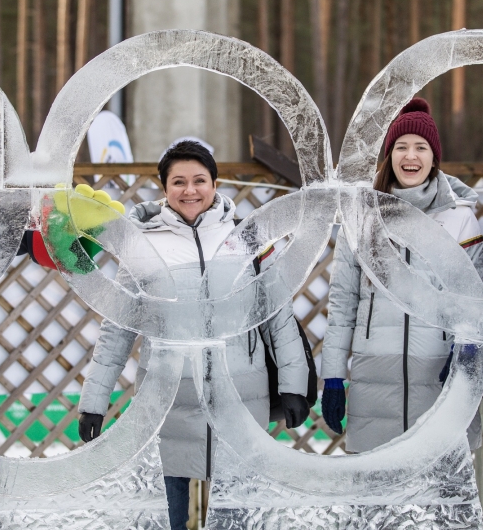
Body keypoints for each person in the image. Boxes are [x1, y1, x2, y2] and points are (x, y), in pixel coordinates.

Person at [75, 140, 310, 530]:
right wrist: (95, 401)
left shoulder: (247, 237)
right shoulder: (142, 243)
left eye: (199, 180)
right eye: (178, 182)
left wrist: (293, 383)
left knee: (238, 517)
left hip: (240, 396)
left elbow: (277, 315)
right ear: (164, 188)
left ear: (215, 184)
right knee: (167, 517)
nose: (190, 190)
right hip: (167, 403)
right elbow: (118, 326)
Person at [320, 98, 483, 452]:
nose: (411, 157)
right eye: (401, 147)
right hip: (373, 381)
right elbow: (342, 306)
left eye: (421, 147)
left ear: (434, 156)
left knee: (440, 497)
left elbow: (474, 304)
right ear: (389, 155)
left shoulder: (459, 220)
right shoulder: (360, 218)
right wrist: (333, 376)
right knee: (376, 500)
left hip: (439, 377)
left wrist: (465, 356)